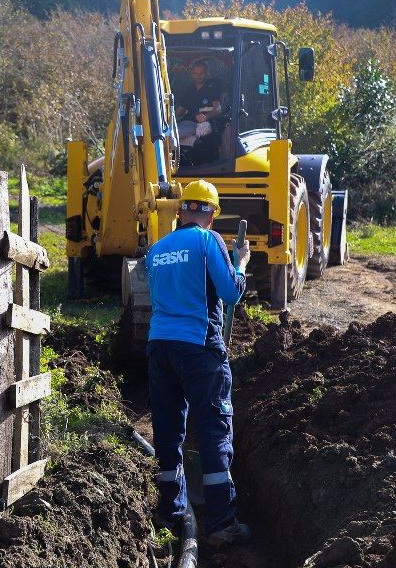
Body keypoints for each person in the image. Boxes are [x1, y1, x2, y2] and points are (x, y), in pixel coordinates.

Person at [145, 179, 251, 547]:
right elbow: (230, 293)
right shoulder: (209, 241)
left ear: (181, 210)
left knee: (168, 430)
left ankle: (170, 512)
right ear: (212, 213)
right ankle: (221, 522)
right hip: (199, 347)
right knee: (214, 429)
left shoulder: (156, 250)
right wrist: (240, 264)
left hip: (160, 348)